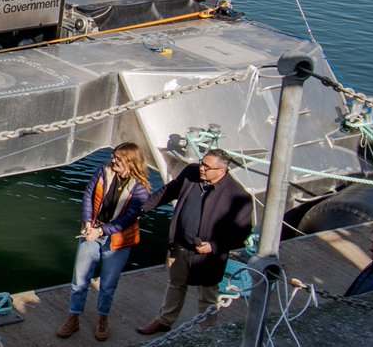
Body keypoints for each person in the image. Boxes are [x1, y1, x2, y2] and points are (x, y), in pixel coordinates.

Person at [135, 149, 253, 336]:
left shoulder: (238, 196)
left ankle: (208, 330)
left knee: (207, 294)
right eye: (201, 163)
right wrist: (142, 207)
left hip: (208, 256)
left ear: (222, 170)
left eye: (207, 166)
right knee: (175, 284)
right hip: (180, 245)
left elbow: (241, 232)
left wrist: (213, 246)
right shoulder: (191, 173)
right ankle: (165, 320)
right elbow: (169, 190)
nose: (201, 168)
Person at [56, 143, 151, 342]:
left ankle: (102, 319)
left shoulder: (141, 189)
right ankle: (73, 317)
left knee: (108, 284)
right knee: (79, 280)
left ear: (131, 162)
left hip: (117, 241)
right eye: (113, 156)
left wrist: (101, 231)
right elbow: (89, 196)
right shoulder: (103, 172)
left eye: (118, 158)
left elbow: (129, 219)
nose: (113, 161)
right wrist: (88, 224)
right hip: (92, 232)